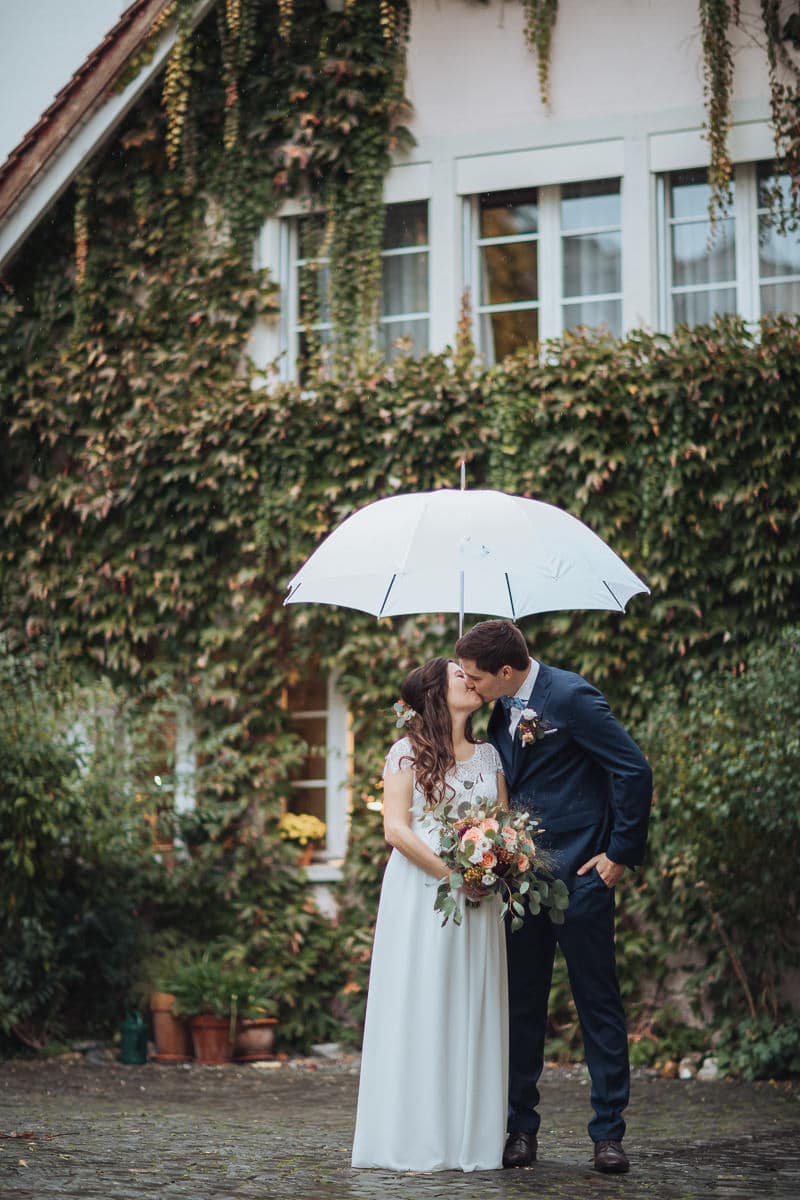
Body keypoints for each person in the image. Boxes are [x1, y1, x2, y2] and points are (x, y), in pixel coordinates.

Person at [455, 619, 652, 1176]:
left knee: (598, 1005)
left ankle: (608, 1135)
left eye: (476, 677)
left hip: (583, 877)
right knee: (520, 1007)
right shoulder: (496, 711)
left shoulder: (571, 696)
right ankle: (521, 1130)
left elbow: (632, 769)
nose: (471, 685)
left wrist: (618, 853)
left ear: (508, 671)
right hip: (519, 884)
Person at [351, 657, 509, 1172]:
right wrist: (453, 875)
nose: (470, 678)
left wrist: (497, 866)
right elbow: (396, 830)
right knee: (422, 1000)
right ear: (436, 694)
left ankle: (469, 1137)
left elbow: (504, 826)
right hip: (421, 894)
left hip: (479, 899)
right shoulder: (406, 753)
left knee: (470, 1001)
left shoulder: (490, 757)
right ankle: (415, 1134)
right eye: (458, 675)